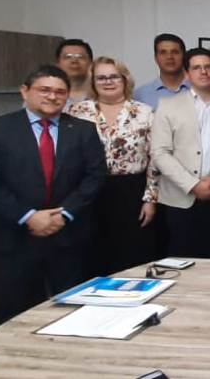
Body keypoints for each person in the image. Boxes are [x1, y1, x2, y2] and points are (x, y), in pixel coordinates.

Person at [0, 65, 107, 327]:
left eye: (60, 92)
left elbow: (95, 176)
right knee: (10, 314)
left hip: (67, 237)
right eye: (44, 90)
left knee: (71, 312)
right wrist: (28, 216)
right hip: (12, 238)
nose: (52, 96)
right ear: (25, 91)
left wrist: (64, 213)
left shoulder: (83, 130)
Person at [66, 56, 159, 275]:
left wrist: (150, 199)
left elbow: (155, 157)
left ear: (124, 80)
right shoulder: (77, 111)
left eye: (114, 76)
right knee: (92, 256)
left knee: (131, 255)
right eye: (101, 78)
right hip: (88, 192)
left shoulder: (144, 112)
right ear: (93, 82)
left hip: (131, 192)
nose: (108, 82)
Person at [150, 48, 210, 259]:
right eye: (196, 68)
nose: (203, 72)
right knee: (180, 260)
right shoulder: (167, 106)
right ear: (187, 73)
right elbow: (160, 152)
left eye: (208, 67)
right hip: (179, 198)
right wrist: (193, 185)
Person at [134, 33, 189, 110]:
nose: (169, 57)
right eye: (163, 52)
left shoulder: (200, 90)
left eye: (175, 52)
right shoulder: (139, 95)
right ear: (156, 58)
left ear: (184, 56)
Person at [55, 39, 93, 107]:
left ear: (91, 63)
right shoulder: (50, 96)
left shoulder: (102, 94)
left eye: (80, 57)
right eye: (68, 57)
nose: (74, 61)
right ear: (58, 64)